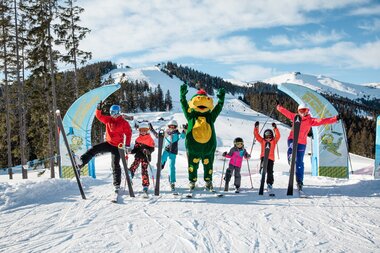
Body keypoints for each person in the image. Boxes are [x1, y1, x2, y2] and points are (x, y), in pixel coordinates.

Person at [276, 103, 339, 190]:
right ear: (298, 111)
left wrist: (335, 118)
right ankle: (291, 158)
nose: (303, 112)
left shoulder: (310, 120)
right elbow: (285, 112)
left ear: (308, 111)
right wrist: (279, 107)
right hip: (292, 139)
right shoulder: (295, 117)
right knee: (291, 148)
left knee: (300, 162)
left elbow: (322, 121)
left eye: (305, 110)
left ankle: (300, 181)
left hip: (302, 143)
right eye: (301, 110)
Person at [78, 101, 132, 193]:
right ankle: (81, 162)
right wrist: (98, 109)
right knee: (95, 149)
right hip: (109, 143)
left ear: (119, 112)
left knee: (115, 164)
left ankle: (117, 185)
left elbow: (129, 133)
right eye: (112, 113)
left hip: (118, 146)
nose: (114, 115)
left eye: (115, 112)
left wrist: (127, 145)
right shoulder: (108, 119)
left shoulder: (123, 122)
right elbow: (99, 116)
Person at [150, 120, 185, 192]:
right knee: (162, 160)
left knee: (172, 166)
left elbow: (183, 136)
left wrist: (184, 130)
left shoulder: (177, 134)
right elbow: (158, 136)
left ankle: (172, 181)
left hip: (173, 152)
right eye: (170, 126)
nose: (172, 128)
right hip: (166, 150)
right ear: (168, 127)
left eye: (173, 126)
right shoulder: (166, 133)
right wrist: (152, 130)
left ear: (176, 127)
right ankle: (160, 166)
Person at [129, 122, 155, 194]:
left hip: (145, 157)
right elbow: (135, 149)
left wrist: (148, 151)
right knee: (134, 165)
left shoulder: (150, 139)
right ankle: (130, 176)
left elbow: (152, 149)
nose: (143, 132)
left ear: (147, 131)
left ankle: (145, 185)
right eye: (141, 130)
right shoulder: (138, 139)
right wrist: (130, 151)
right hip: (138, 156)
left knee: (144, 170)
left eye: (144, 130)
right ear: (139, 131)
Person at [254, 121, 280, 192]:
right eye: (266, 136)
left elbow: (278, 136)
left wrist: (275, 128)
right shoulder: (262, 141)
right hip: (263, 157)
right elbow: (256, 135)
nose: (268, 138)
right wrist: (256, 127)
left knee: (270, 171)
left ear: (272, 136)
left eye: (270, 136)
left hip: (271, 159)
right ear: (264, 136)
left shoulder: (274, 141)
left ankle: (269, 183)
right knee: (263, 165)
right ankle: (262, 169)